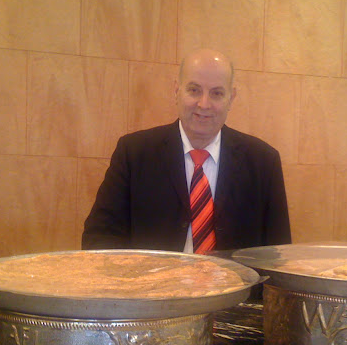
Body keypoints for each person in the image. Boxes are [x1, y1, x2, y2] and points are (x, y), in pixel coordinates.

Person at [82, 48, 291, 254]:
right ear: (176, 91)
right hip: (150, 277)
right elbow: (99, 237)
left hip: (236, 278)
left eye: (217, 93)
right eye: (194, 90)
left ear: (231, 98)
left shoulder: (263, 162)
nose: (204, 104)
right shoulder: (134, 153)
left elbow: (278, 253)